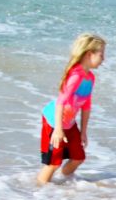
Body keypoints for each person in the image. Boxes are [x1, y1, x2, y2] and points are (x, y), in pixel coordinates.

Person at [39, 33, 107, 186]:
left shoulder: (90, 78)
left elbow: (86, 106)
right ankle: (40, 193)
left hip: (69, 123)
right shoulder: (75, 75)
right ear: (89, 54)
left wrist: (83, 131)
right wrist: (57, 129)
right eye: (101, 55)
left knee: (78, 157)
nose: (104, 59)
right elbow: (61, 102)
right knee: (53, 163)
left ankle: (64, 183)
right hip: (54, 121)